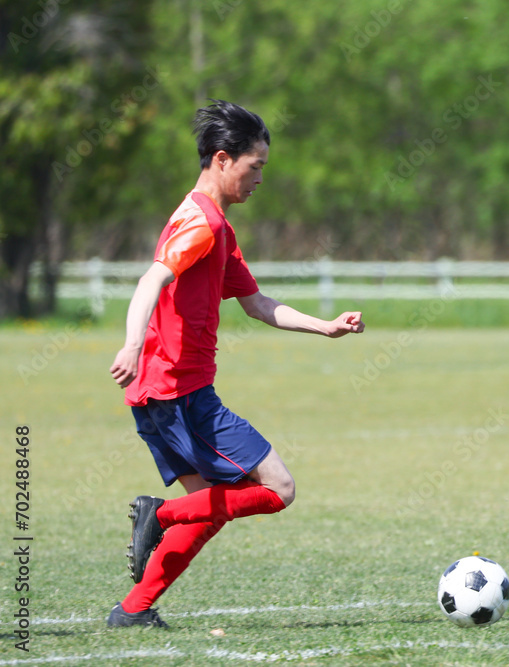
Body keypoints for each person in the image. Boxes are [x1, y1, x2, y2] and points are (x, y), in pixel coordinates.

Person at [107, 100, 364, 628]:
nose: (260, 179)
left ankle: (133, 611)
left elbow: (257, 304)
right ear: (223, 160)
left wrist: (325, 326)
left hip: (158, 395)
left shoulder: (214, 226)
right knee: (277, 489)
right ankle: (158, 514)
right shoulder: (200, 225)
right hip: (181, 395)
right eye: (256, 167)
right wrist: (132, 343)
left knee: (209, 509)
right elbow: (150, 280)